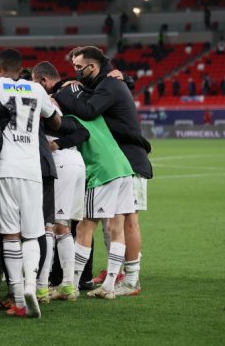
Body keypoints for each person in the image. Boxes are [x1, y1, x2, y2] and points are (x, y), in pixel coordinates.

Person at [0, 49, 61, 318]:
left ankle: (18, 298)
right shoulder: (36, 89)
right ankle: (31, 284)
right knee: (32, 233)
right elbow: (56, 121)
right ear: (21, 71)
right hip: (31, 169)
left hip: (2, 168)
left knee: (9, 234)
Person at [54, 46, 152, 297]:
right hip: (119, 160)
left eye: (79, 67)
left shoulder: (109, 85)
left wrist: (65, 92)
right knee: (113, 224)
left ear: (93, 66)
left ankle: (131, 279)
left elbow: (88, 110)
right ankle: (116, 276)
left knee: (127, 221)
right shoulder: (104, 84)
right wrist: (69, 84)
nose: (76, 72)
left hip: (128, 160)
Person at [31, 62, 88, 302]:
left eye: (34, 81)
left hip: (60, 163)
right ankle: (67, 285)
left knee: (49, 225)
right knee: (64, 226)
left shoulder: (43, 100)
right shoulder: (61, 99)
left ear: (42, 81)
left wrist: (55, 143)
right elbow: (82, 131)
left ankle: (42, 286)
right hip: (76, 162)